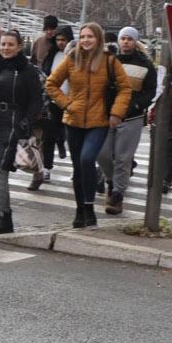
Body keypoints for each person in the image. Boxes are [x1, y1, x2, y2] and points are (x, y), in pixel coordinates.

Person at [45, 22, 134, 229]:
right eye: (83, 36)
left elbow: (124, 89)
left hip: (99, 121)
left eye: (90, 37)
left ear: (98, 39)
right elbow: (51, 84)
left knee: (87, 159)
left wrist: (116, 113)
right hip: (73, 121)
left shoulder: (109, 61)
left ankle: (89, 204)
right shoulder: (71, 59)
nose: (86, 40)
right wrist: (67, 103)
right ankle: (81, 210)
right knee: (78, 168)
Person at [0, 30, 43, 237]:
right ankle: (7, 220)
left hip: (15, 122)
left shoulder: (27, 70)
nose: (6, 48)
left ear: (19, 47)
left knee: (0, 168)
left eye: (10, 45)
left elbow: (36, 101)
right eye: (3, 44)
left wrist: (26, 122)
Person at [95, 27, 158, 216]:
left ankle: (117, 195)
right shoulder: (109, 61)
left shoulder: (146, 65)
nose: (126, 42)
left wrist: (138, 105)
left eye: (130, 39)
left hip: (132, 117)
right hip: (107, 115)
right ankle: (111, 180)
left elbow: (150, 91)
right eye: (123, 38)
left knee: (123, 158)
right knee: (102, 153)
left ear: (135, 41)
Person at [32, 24, 74, 190]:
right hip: (53, 101)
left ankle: (75, 165)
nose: (61, 43)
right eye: (58, 40)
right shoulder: (52, 55)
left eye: (64, 40)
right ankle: (47, 167)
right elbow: (46, 77)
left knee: (72, 137)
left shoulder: (75, 56)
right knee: (48, 136)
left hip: (72, 103)